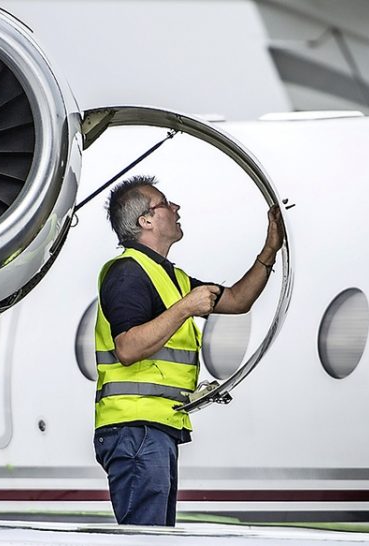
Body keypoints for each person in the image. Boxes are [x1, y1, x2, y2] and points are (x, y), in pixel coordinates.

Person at [92, 174, 284, 526]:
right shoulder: (127, 274)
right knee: (146, 536)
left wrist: (269, 251)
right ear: (145, 220)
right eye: (165, 203)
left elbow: (238, 300)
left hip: (155, 428)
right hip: (135, 427)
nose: (176, 207)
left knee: (157, 534)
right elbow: (127, 348)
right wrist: (185, 308)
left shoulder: (171, 278)